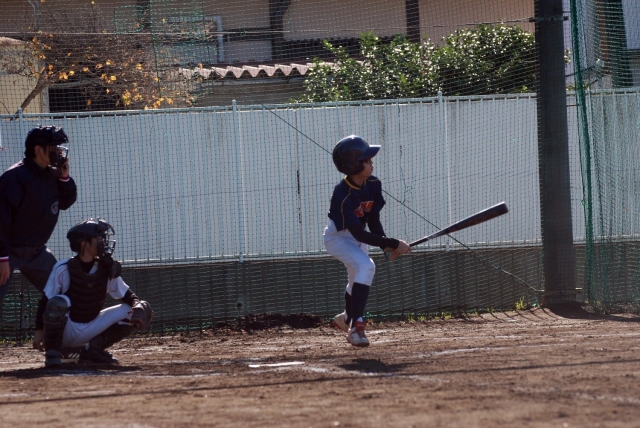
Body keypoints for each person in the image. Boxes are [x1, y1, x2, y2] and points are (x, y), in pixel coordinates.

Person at [324, 135, 411, 347]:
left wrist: (386, 247)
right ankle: (356, 326)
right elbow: (358, 234)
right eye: (367, 160)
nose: (372, 163)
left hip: (358, 235)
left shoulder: (373, 183)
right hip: (338, 237)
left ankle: (346, 318)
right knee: (366, 266)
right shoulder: (342, 193)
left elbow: (373, 220)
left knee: (358, 276)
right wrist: (393, 242)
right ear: (353, 165)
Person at [33, 218, 153, 367]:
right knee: (59, 301)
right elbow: (45, 301)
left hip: (91, 327)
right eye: (100, 238)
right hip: (65, 331)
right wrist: (39, 330)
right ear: (84, 244)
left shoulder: (107, 267)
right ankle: (53, 352)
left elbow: (128, 296)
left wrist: (138, 305)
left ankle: (93, 351)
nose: (104, 242)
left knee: (132, 310)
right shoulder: (63, 268)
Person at [0, 125, 77, 304]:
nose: (59, 151)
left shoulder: (53, 174)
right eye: (53, 147)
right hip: (7, 252)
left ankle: (53, 323)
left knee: (65, 293)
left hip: (36, 252)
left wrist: (65, 178)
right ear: (38, 150)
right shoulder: (14, 177)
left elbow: (65, 203)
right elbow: (1, 220)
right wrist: (2, 258)